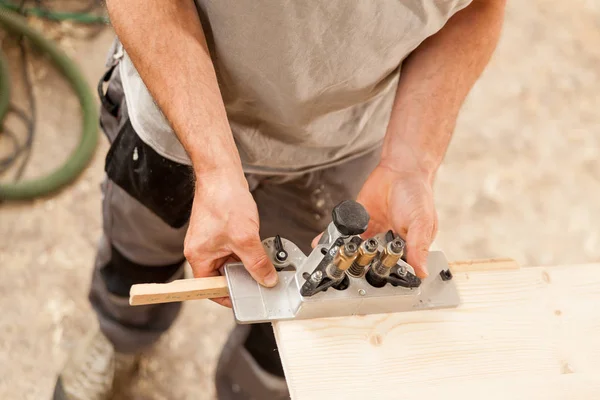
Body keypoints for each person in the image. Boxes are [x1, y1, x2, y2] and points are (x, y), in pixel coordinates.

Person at [52, 1, 505, 399]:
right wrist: (213, 164)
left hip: (346, 146)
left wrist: (409, 163)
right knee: (139, 256)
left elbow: (480, 7)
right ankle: (120, 339)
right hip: (177, 124)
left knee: (303, 318)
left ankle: (254, 391)